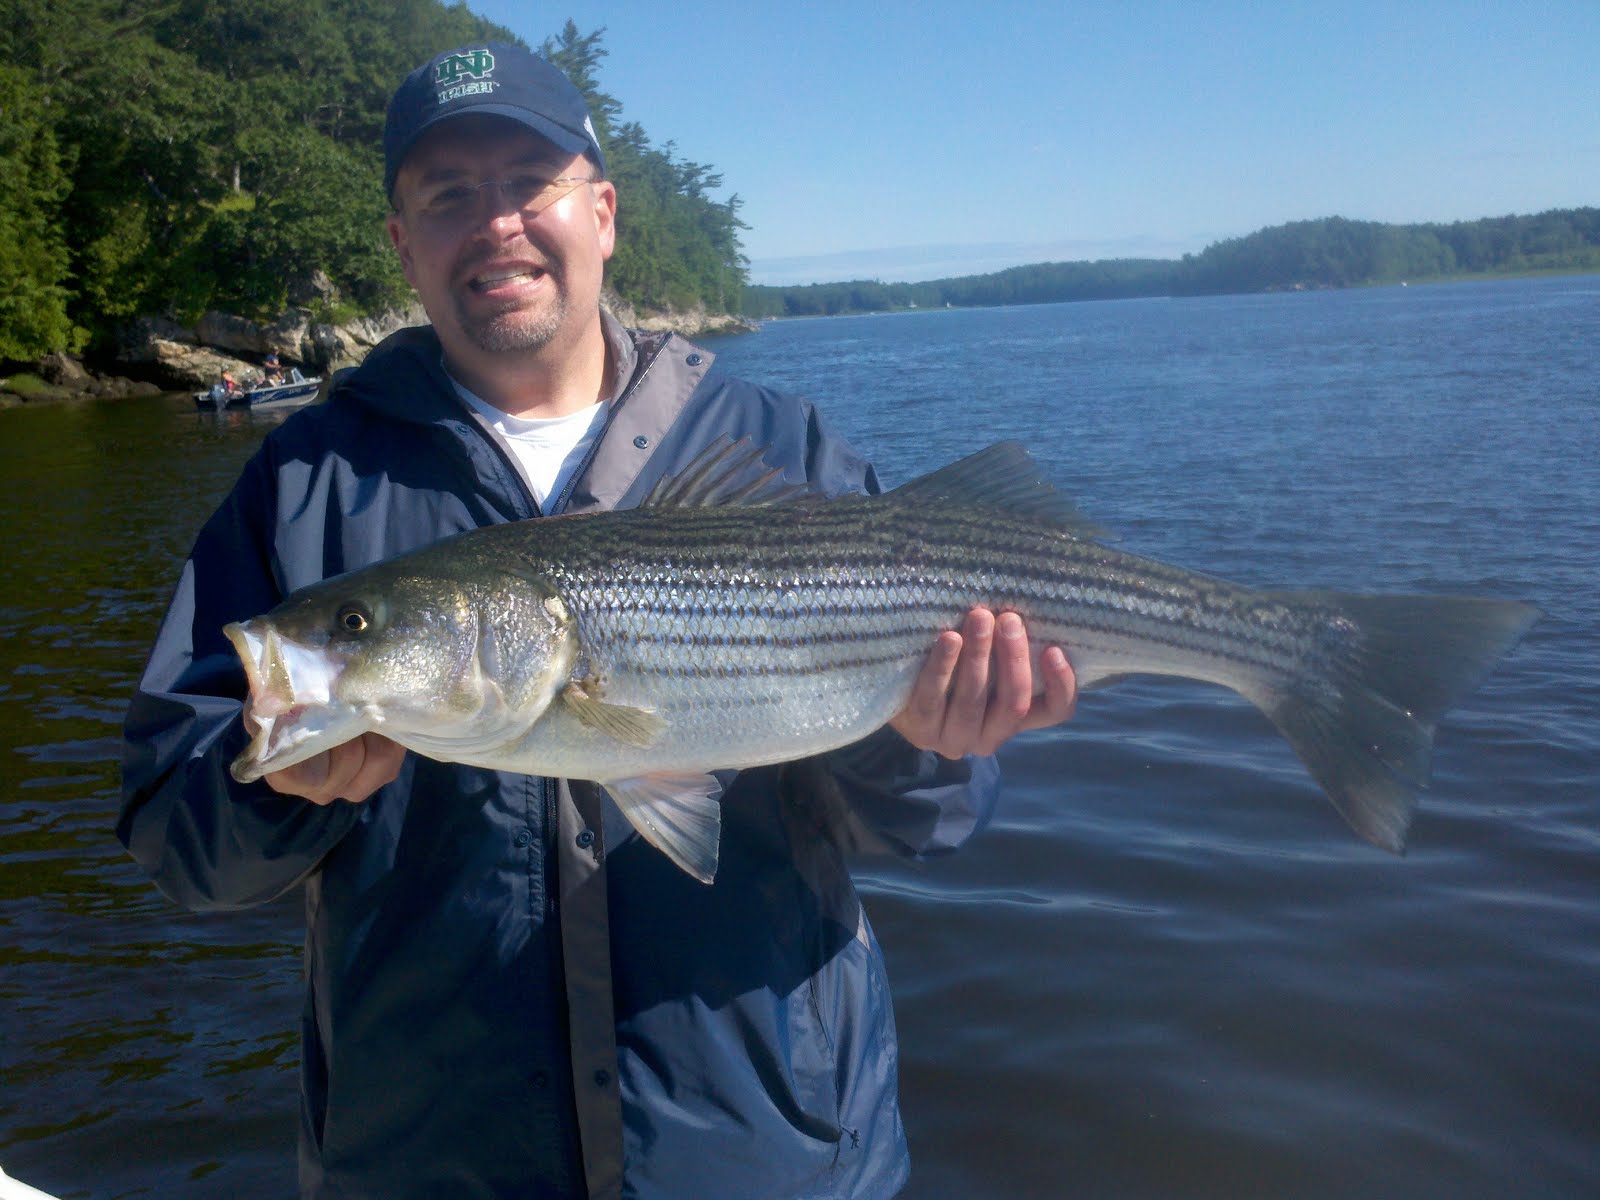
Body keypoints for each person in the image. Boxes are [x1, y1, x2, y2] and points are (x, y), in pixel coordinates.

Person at [119, 42, 1077, 1200]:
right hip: (427, 1165)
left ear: (603, 211)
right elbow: (182, 846)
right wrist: (268, 792)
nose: (498, 224)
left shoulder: (785, 451)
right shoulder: (302, 485)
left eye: (531, 181)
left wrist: (929, 741)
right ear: (402, 245)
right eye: (447, 196)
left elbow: (929, 822)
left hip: (763, 1157)